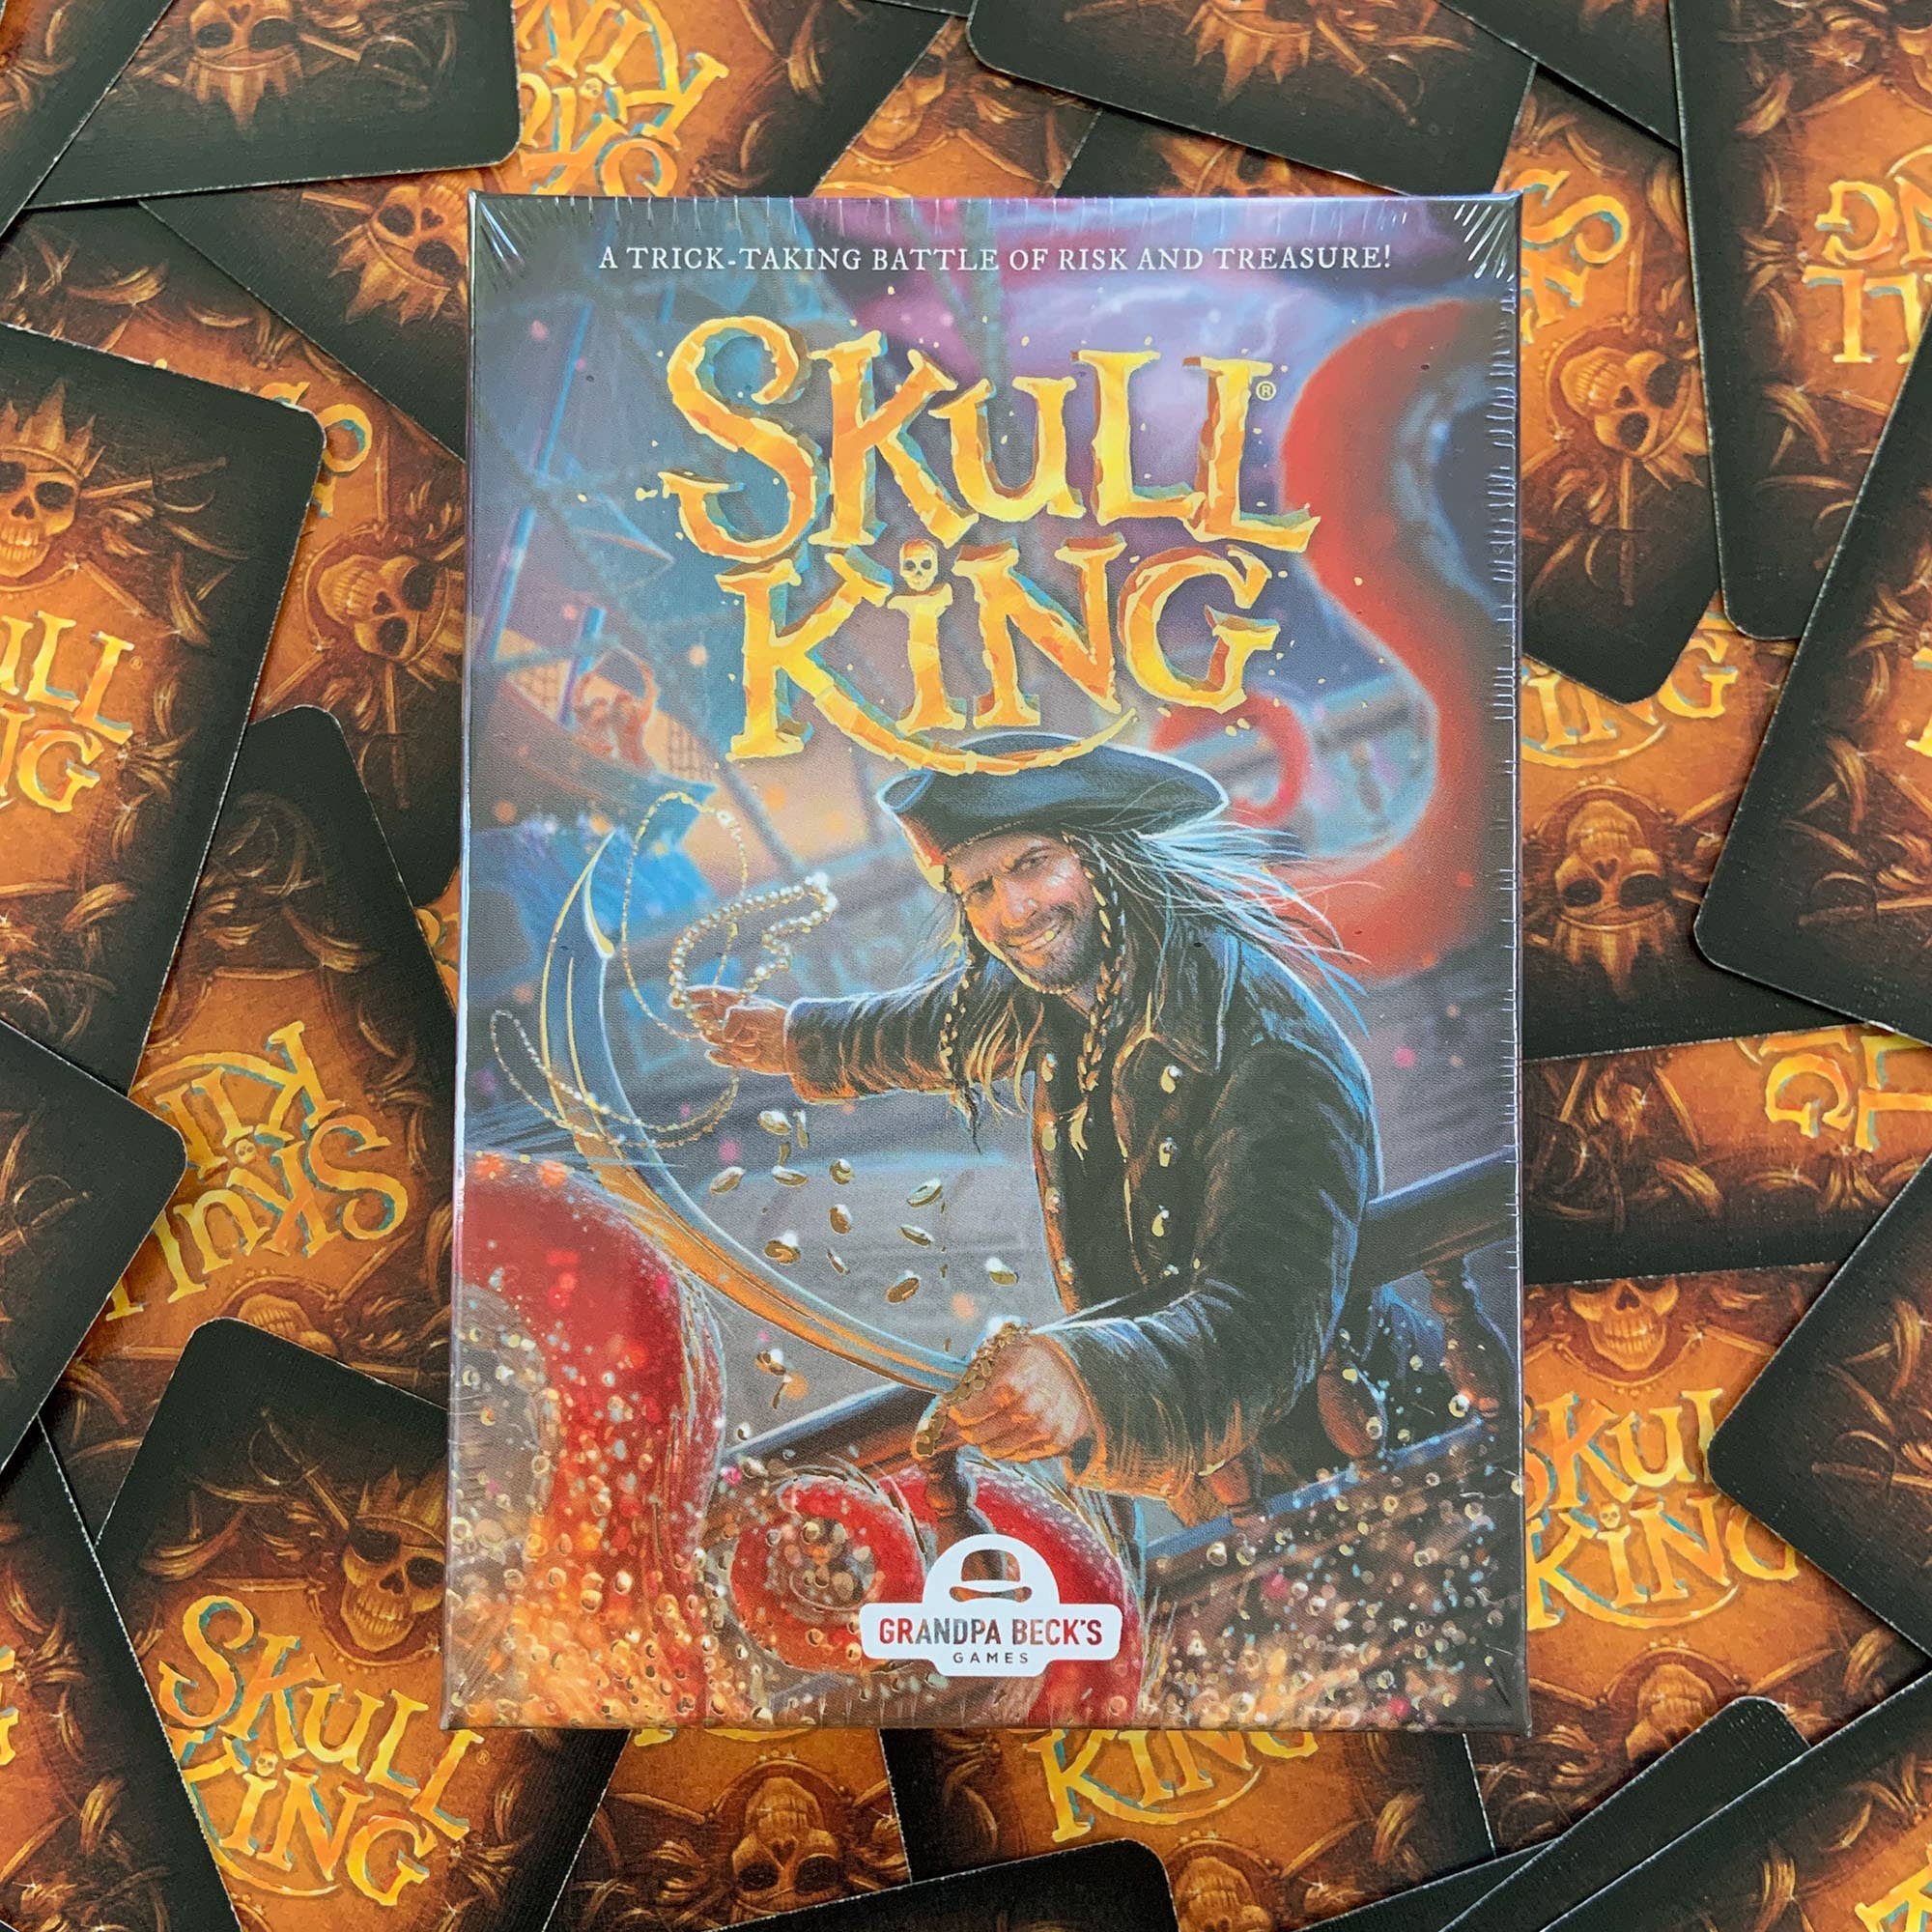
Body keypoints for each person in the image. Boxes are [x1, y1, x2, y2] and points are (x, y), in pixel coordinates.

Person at [688, 730, 1381, 1526]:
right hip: (1237, 1487)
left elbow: (1263, 1318)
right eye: (978, 889)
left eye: (1031, 864)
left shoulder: (1266, 1046)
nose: (1010, 912)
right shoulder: (1088, 980)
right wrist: (799, 1040)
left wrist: (1083, 1379)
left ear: (1105, 857)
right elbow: (943, 1023)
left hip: (1367, 1466)